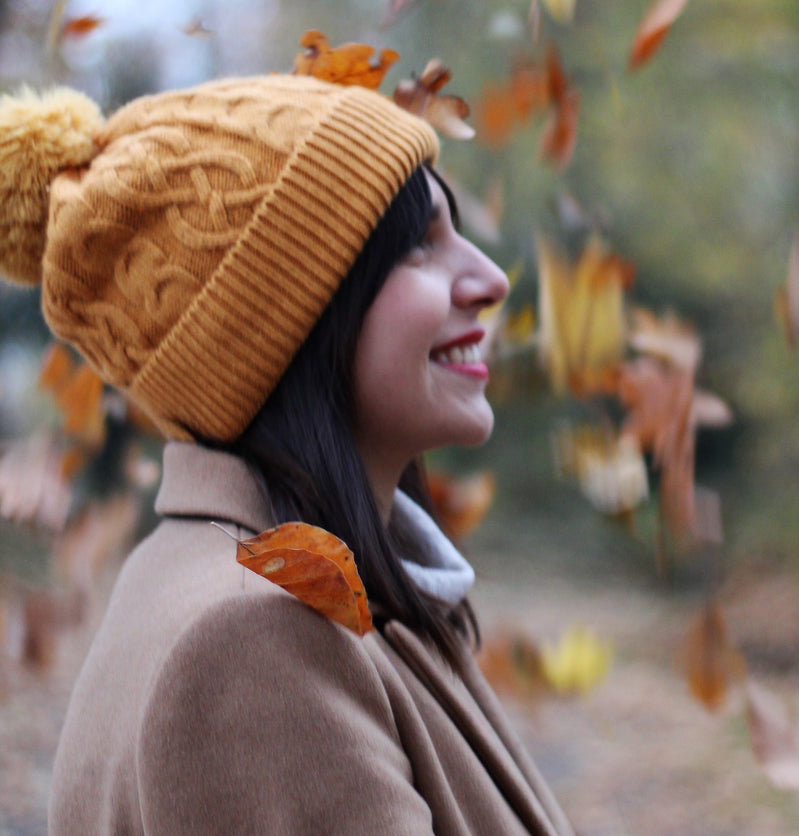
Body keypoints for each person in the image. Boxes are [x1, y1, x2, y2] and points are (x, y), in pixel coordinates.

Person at [0, 72, 574, 835]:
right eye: (416, 247)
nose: (491, 279)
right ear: (279, 324)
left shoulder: (277, 586)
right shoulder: (254, 641)